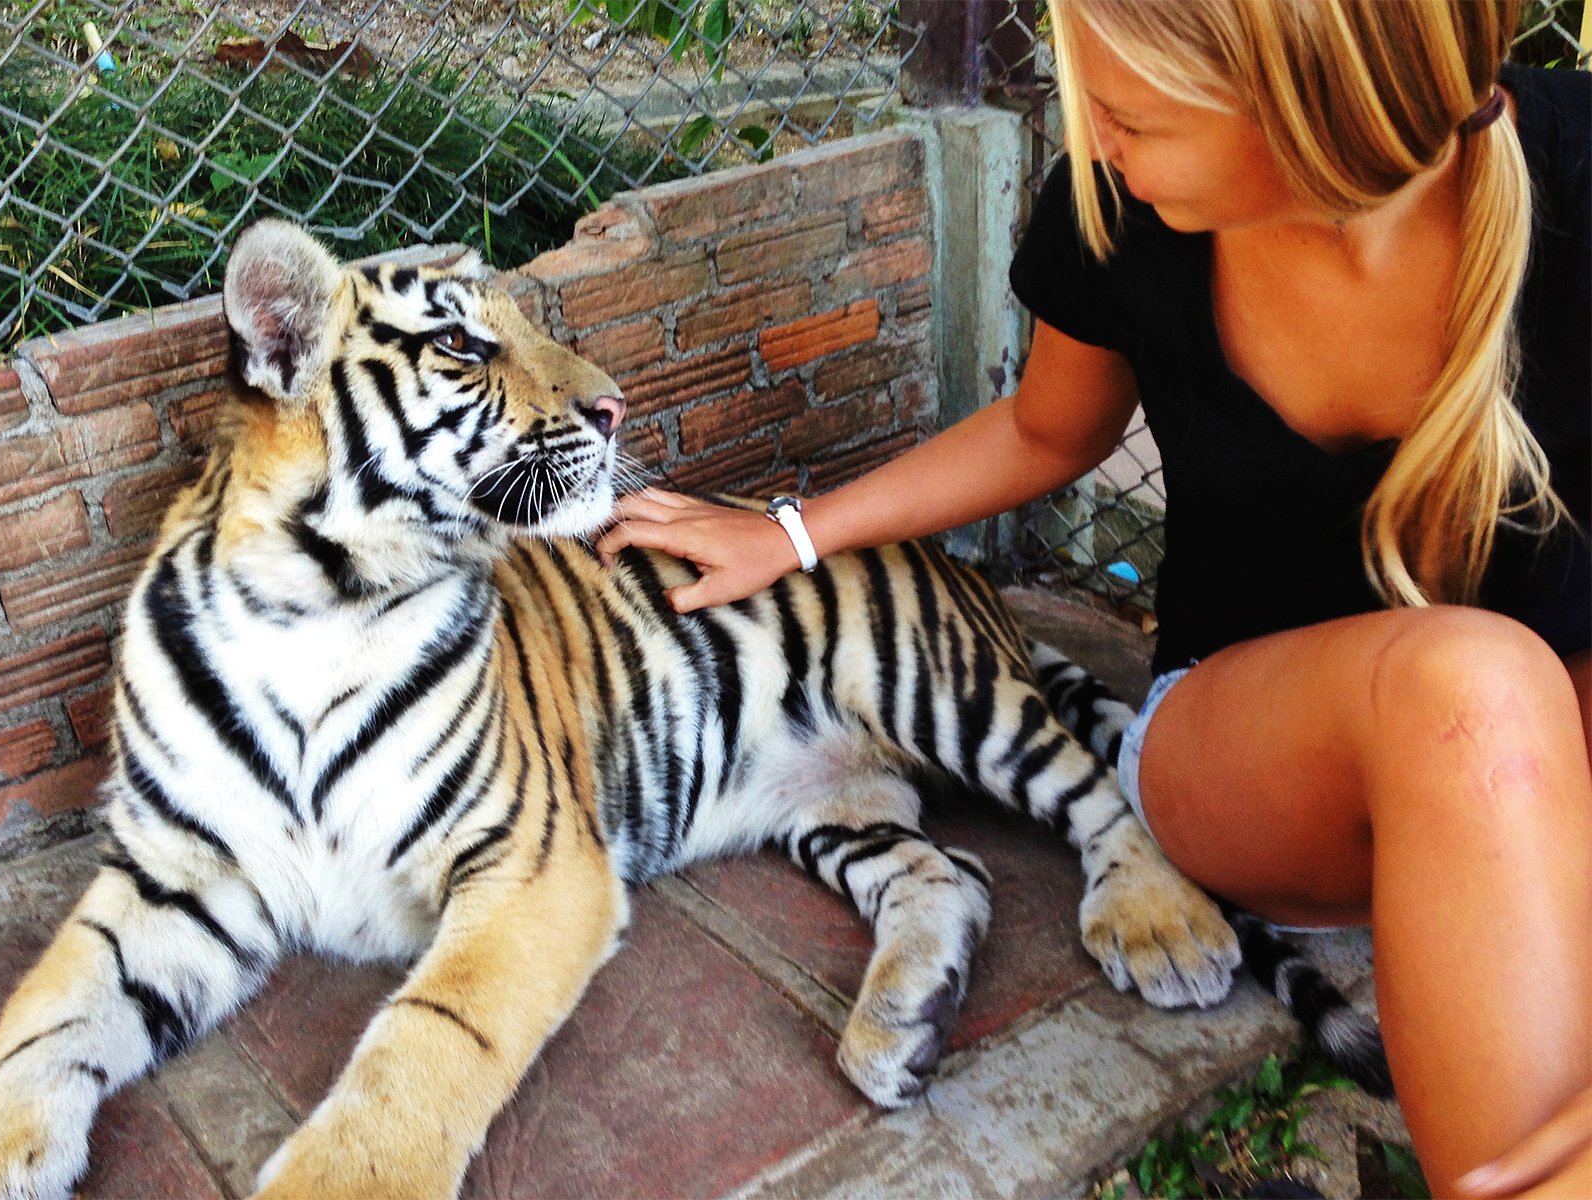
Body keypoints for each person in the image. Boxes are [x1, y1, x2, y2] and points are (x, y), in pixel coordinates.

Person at [596, 1, 1591, 1194]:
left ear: (1310, 105)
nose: (1098, 146)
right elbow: (1040, 428)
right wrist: (792, 532)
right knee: (1470, 685)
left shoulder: (1570, 171)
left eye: (1128, 117)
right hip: (1254, 757)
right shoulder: (1119, 209)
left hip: (1554, 754)